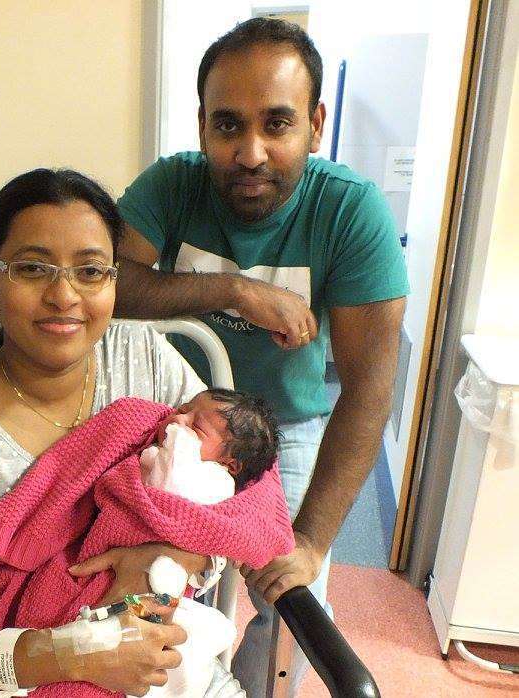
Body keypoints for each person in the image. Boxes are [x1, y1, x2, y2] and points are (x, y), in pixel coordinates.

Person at [113, 17, 409, 696]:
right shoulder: (174, 185)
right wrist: (235, 292)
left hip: (289, 429)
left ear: (315, 122)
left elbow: (369, 392)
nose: (250, 152)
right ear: (202, 128)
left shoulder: (350, 213)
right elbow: (108, 282)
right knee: (141, 570)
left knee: (291, 606)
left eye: (276, 124)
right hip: (177, 418)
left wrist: (309, 543)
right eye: (227, 127)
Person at [0, 168, 244, 698]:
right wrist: (75, 651)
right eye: (33, 269)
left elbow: (243, 488)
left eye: (90, 271)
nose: (64, 295)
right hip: (23, 678)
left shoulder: (143, 359)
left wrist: (170, 562)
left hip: (167, 663)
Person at [142, 388, 281, 495]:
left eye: (196, 426)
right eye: (181, 410)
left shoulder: (219, 483)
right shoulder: (147, 432)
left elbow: (168, 482)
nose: (179, 419)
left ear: (229, 464)